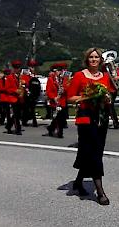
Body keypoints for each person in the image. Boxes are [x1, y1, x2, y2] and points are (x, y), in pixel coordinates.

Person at [66, 47, 114, 205]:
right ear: (87, 60)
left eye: (96, 57)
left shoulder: (105, 77)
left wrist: (107, 99)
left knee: (94, 152)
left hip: (101, 119)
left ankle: (79, 182)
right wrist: (85, 96)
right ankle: (100, 191)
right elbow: (70, 97)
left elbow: (109, 96)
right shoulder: (80, 76)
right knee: (94, 153)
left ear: (100, 60)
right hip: (86, 119)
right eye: (91, 57)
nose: (94, 60)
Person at [46, 63, 69, 138]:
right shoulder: (51, 79)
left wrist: (64, 89)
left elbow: (68, 88)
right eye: (58, 71)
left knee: (61, 117)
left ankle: (51, 128)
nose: (59, 72)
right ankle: (59, 132)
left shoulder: (64, 79)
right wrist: (53, 98)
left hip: (62, 101)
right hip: (55, 101)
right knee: (58, 117)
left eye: (60, 71)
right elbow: (48, 91)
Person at [3, 63, 22, 135]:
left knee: (17, 114)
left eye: (19, 68)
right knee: (16, 115)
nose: (18, 69)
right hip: (12, 98)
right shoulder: (10, 77)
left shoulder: (21, 77)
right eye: (16, 68)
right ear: (14, 69)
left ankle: (8, 126)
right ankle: (18, 129)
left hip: (19, 98)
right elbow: (7, 89)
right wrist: (15, 90)